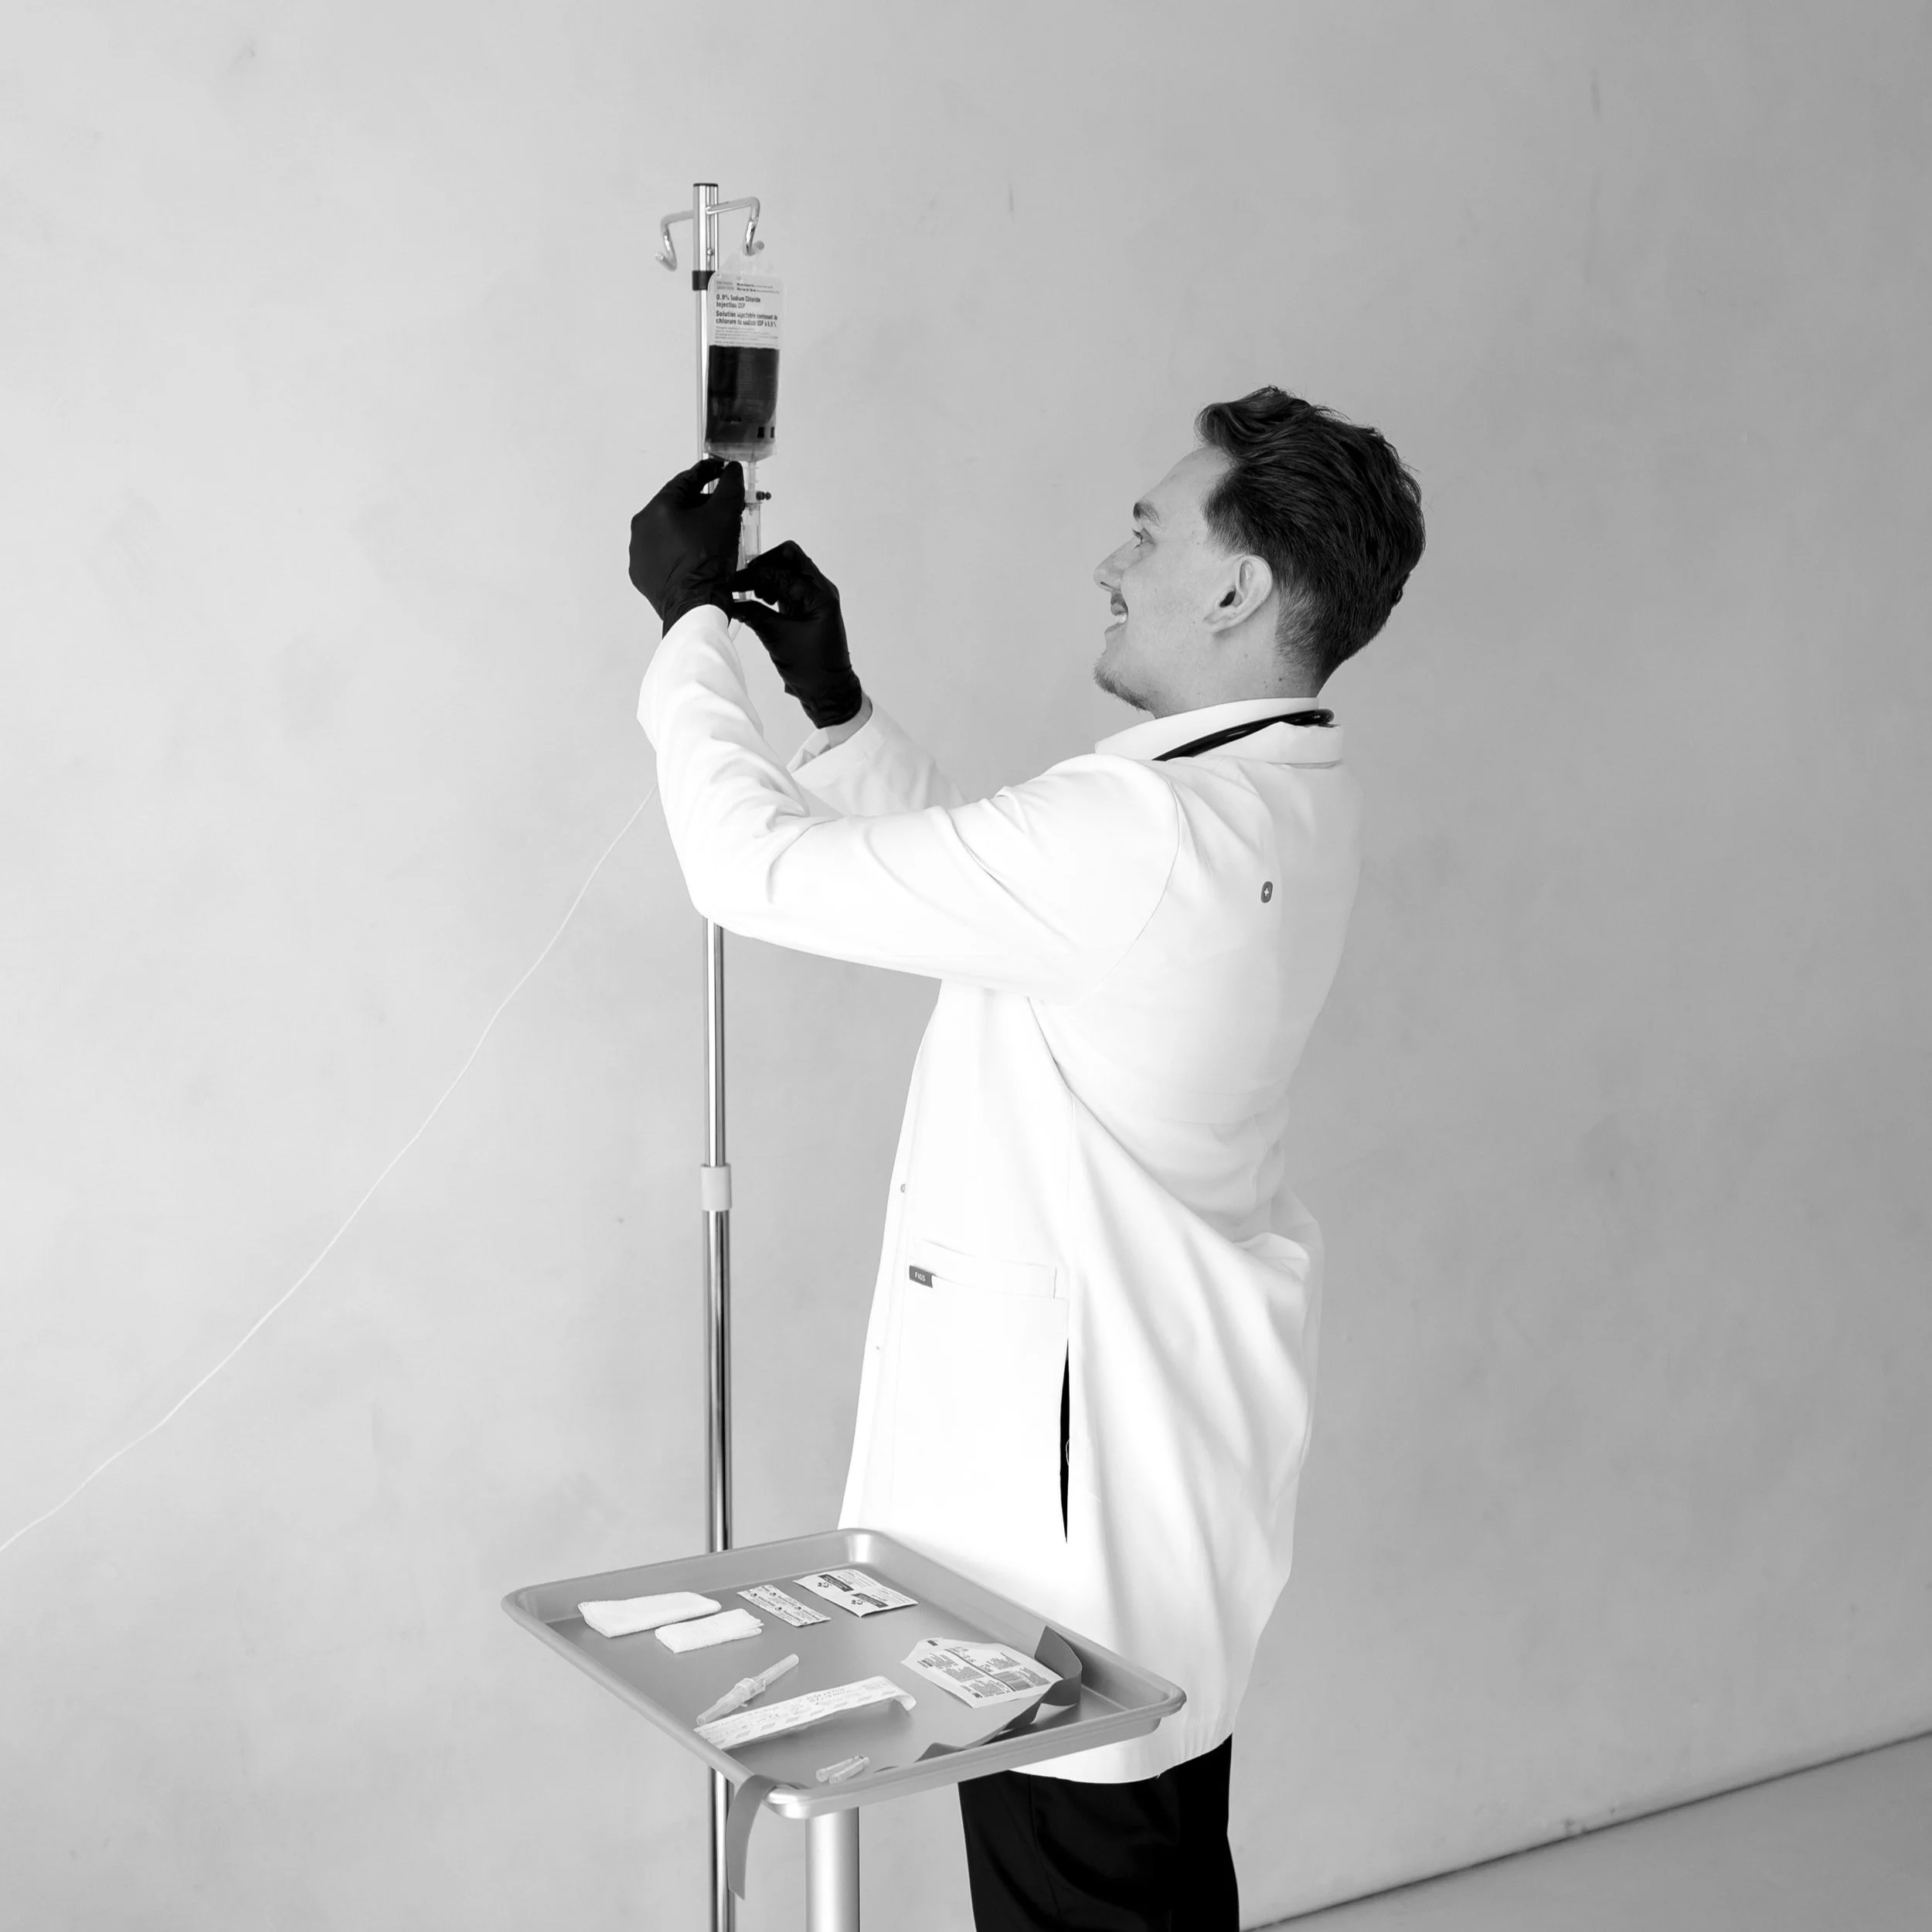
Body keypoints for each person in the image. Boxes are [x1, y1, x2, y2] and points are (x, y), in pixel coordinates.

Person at [628, 386, 1424, 1930]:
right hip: (1145, 1476)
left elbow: (751, 871)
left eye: (1144, 527)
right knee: (1133, 1883)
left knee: (1094, 1901)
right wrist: (838, 709)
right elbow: (1010, 904)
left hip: (1082, 1531)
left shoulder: (1149, 831)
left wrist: (684, 639)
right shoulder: (1268, 792)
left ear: (1235, 586)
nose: (1108, 560)